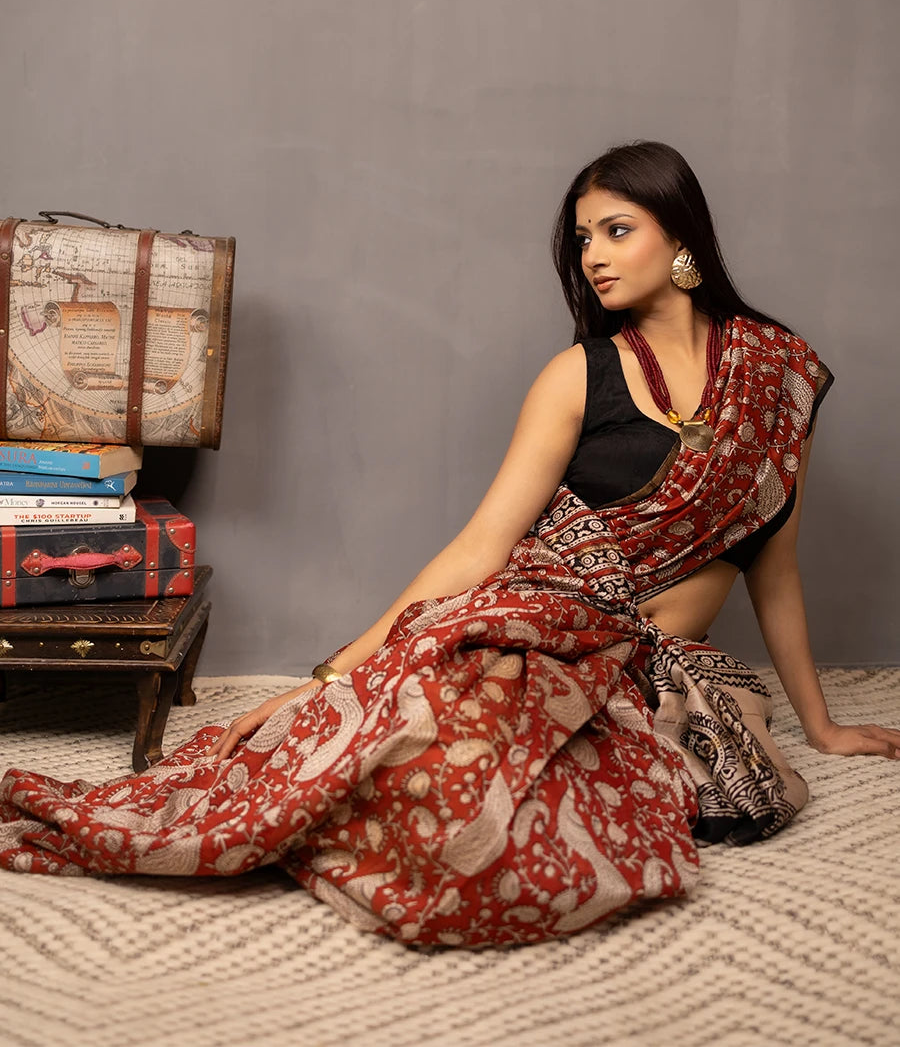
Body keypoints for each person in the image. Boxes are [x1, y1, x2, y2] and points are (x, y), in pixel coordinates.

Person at [2, 140, 897, 947]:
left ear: (682, 236)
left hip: (653, 670)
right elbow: (480, 549)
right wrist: (330, 677)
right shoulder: (576, 376)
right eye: (583, 239)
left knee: (532, 814)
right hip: (538, 623)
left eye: (616, 231)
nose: (593, 256)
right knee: (420, 743)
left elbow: (776, 561)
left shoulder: (778, 374)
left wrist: (821, 725)